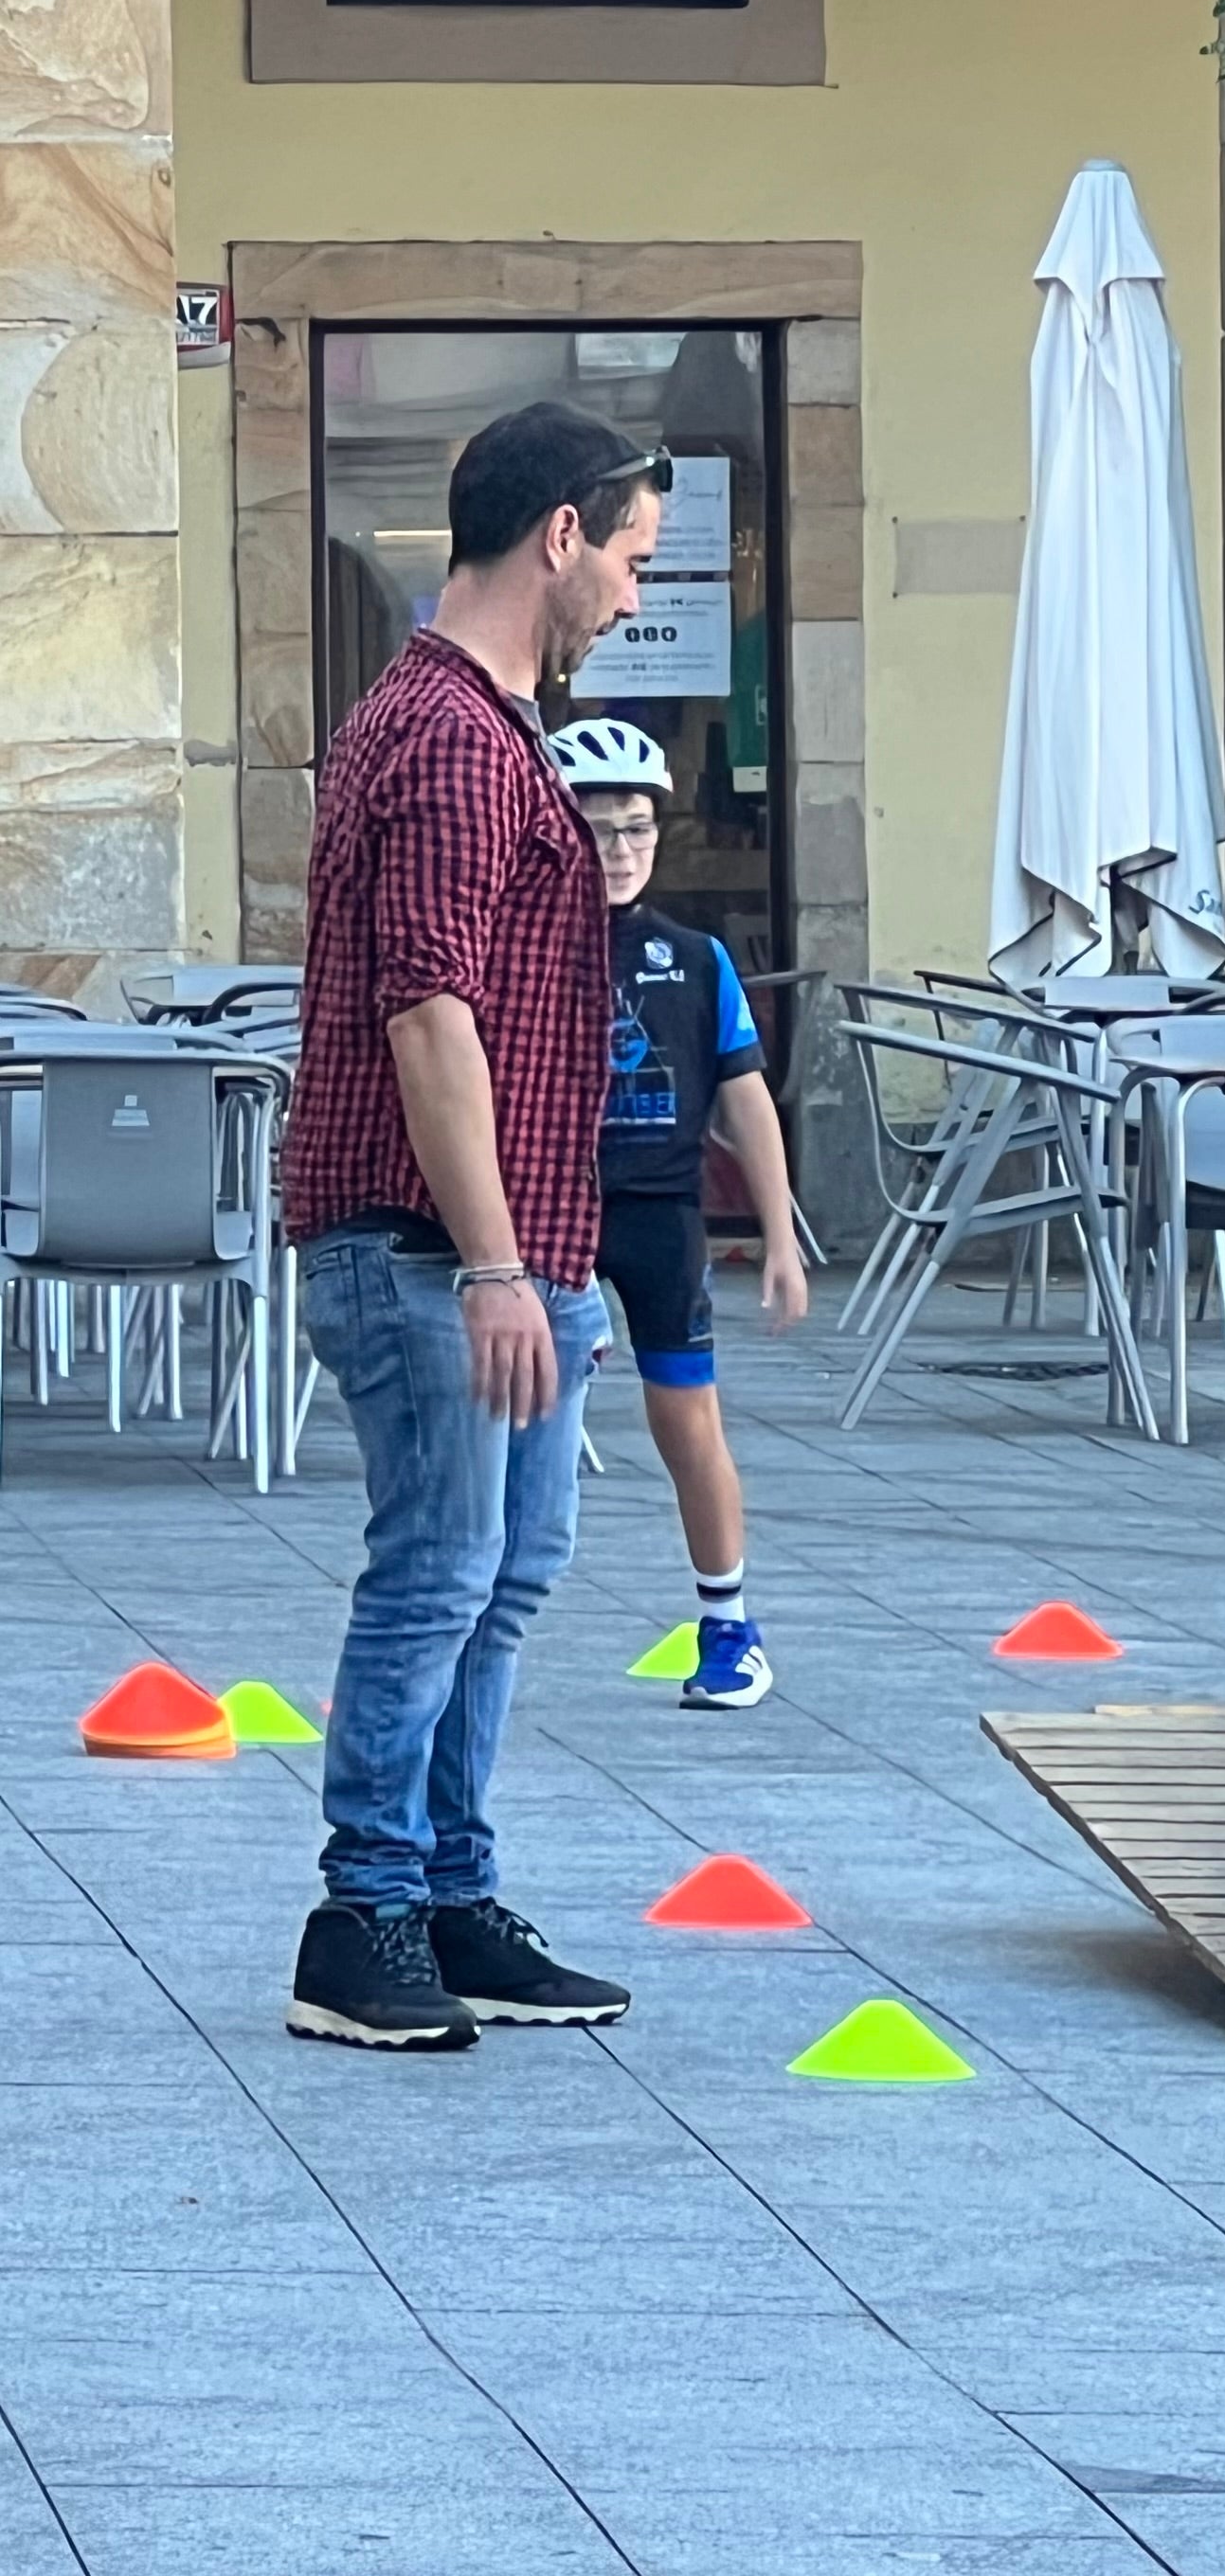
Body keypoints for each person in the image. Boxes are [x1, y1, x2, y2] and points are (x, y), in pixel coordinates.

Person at [278, 402, 670, 2052]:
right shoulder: (445, 733)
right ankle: (359, 1909)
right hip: (425, 1240)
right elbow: (426, 1006)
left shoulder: (476, 722)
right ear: (560, 533)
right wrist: (500, 1261)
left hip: (494, 1242)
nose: (637, 600)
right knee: (437, 1569)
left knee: (505, 1570)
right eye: (634, 559)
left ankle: (442, 1885)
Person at [547, 716, 810, 1713]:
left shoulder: (694, 958)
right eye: (596, 829)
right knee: (521, 1422)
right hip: (551, 1209)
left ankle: (731, 1624)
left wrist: (780, 1239)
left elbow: (746, 1097)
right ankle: (476, 1617)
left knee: (685, 1423)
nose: (617, 851)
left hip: (660, 1211)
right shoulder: (517, 945)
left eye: (636, 831)